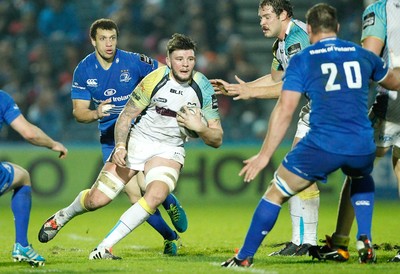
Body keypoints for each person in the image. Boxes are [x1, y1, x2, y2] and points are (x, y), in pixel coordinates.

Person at [221, 3, 400, 267]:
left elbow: (284, 109)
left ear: (311, 31)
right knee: (360, 175)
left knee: (276, 190)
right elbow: (394, 81)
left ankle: (245, 257)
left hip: (323, 138)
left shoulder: (305, 57)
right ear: (338, 29)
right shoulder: (362, 54)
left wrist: (264, 155)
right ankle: (362, 237)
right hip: (361, 140)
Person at [37, 18, 188, 255]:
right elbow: (79, 112)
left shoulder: (133, 61)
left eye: (113, 38)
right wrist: (97, 112)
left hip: (145, 133)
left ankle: (169, 203)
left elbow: (166, 73)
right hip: (111, 138)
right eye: (103, 39)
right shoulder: (84, 70)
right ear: (93, 41)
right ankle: (170, 236)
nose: (109, 44)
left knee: (151, 184)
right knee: (128, 196)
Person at [211, 0, 318, 256]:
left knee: (297, 172)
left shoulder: (297, 39)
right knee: (298, 173)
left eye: (267, 16)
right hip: (313, 110)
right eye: (260, 17)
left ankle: (309, 241)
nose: (262, 22)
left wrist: (251, 93)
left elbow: (295, 86)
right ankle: (303, 241)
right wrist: (242, 87)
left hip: (327, 109)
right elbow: (275, 79)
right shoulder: (280, 42)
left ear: (283, 15)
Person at [310, 0, 400, 263]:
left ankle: (341, 243)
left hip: (394, 98)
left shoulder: (380, 9)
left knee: (359, 164)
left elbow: (369, 59)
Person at [0, 90, 68, 267]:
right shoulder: (2, 98)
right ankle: (21, 245)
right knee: (23, 177)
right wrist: (53, 144)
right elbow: (29, 133)